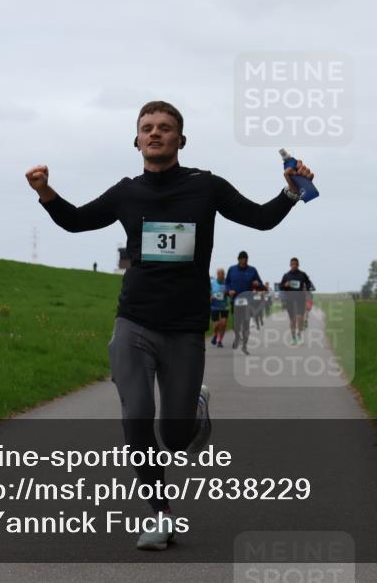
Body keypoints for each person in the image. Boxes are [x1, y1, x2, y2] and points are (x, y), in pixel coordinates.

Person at [25, 101, 314, 550]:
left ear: (181, 139)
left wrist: (292, 192)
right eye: (147, 128)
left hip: (184, 326)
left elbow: (260, 218)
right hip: (134, 320)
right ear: (136, 140)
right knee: (136, 416)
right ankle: (161, 515)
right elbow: (77, 221)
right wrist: (46, 192)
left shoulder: (206, 187)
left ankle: (194, 405)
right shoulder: (126, 193)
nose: (155, 133)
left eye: (165, 128)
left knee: (175, 437)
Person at [224, 250, 263, 350]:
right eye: (241, 259)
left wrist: (257, 284)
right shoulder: (232, 269)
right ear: (238, 259)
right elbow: (227, 283)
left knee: (246, 323)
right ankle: (237, 337)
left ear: (247, 259)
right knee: (236, 323)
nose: (243, 261)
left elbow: (260, 284)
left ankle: (244, 344)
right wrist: (229, 290)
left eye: (245, 259)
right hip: (235, 300)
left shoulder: (252, 270)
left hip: (248, 301)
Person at [280, 257, 315, 343]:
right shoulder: (286, 275)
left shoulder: (302, 275)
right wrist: (285, 285)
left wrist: (306, 287)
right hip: (290, 299)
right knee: (292, 319)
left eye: (295, 264)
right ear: (290, 265)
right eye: (292, 264)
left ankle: (299, 334)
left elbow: (309, 283)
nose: (294, 266)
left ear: (298, 265)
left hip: (300, 299)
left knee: (300, 317)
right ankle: (293, 337)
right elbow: (281, 287)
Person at [210, 268, 228, 347]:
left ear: (224, 275)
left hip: (224, 306)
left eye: (222, 274)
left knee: (223, 324)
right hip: (214, 306)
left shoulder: (227, 283)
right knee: (216, 324)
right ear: (217, 274)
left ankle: (220, 340)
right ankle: (215, 335)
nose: (221, 275)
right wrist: (211, 297)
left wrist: (228, 293)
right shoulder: (212, 283)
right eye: (219, 274)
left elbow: (230, 292)